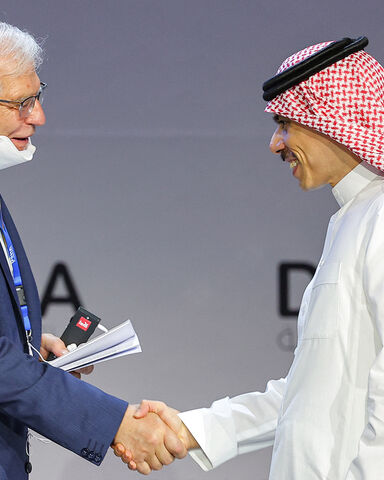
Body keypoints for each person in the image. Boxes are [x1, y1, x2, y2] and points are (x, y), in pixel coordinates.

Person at [0, 15, 187, 479]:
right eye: (22, 103)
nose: (38, 116)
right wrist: (115, 423)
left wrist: (23, 350)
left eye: (37, 97)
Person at [115, 36, 384, 478]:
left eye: (285, 123)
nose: (275, 144)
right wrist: (190, 430)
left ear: (331, 119)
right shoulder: (350, 221)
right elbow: (307, 394)